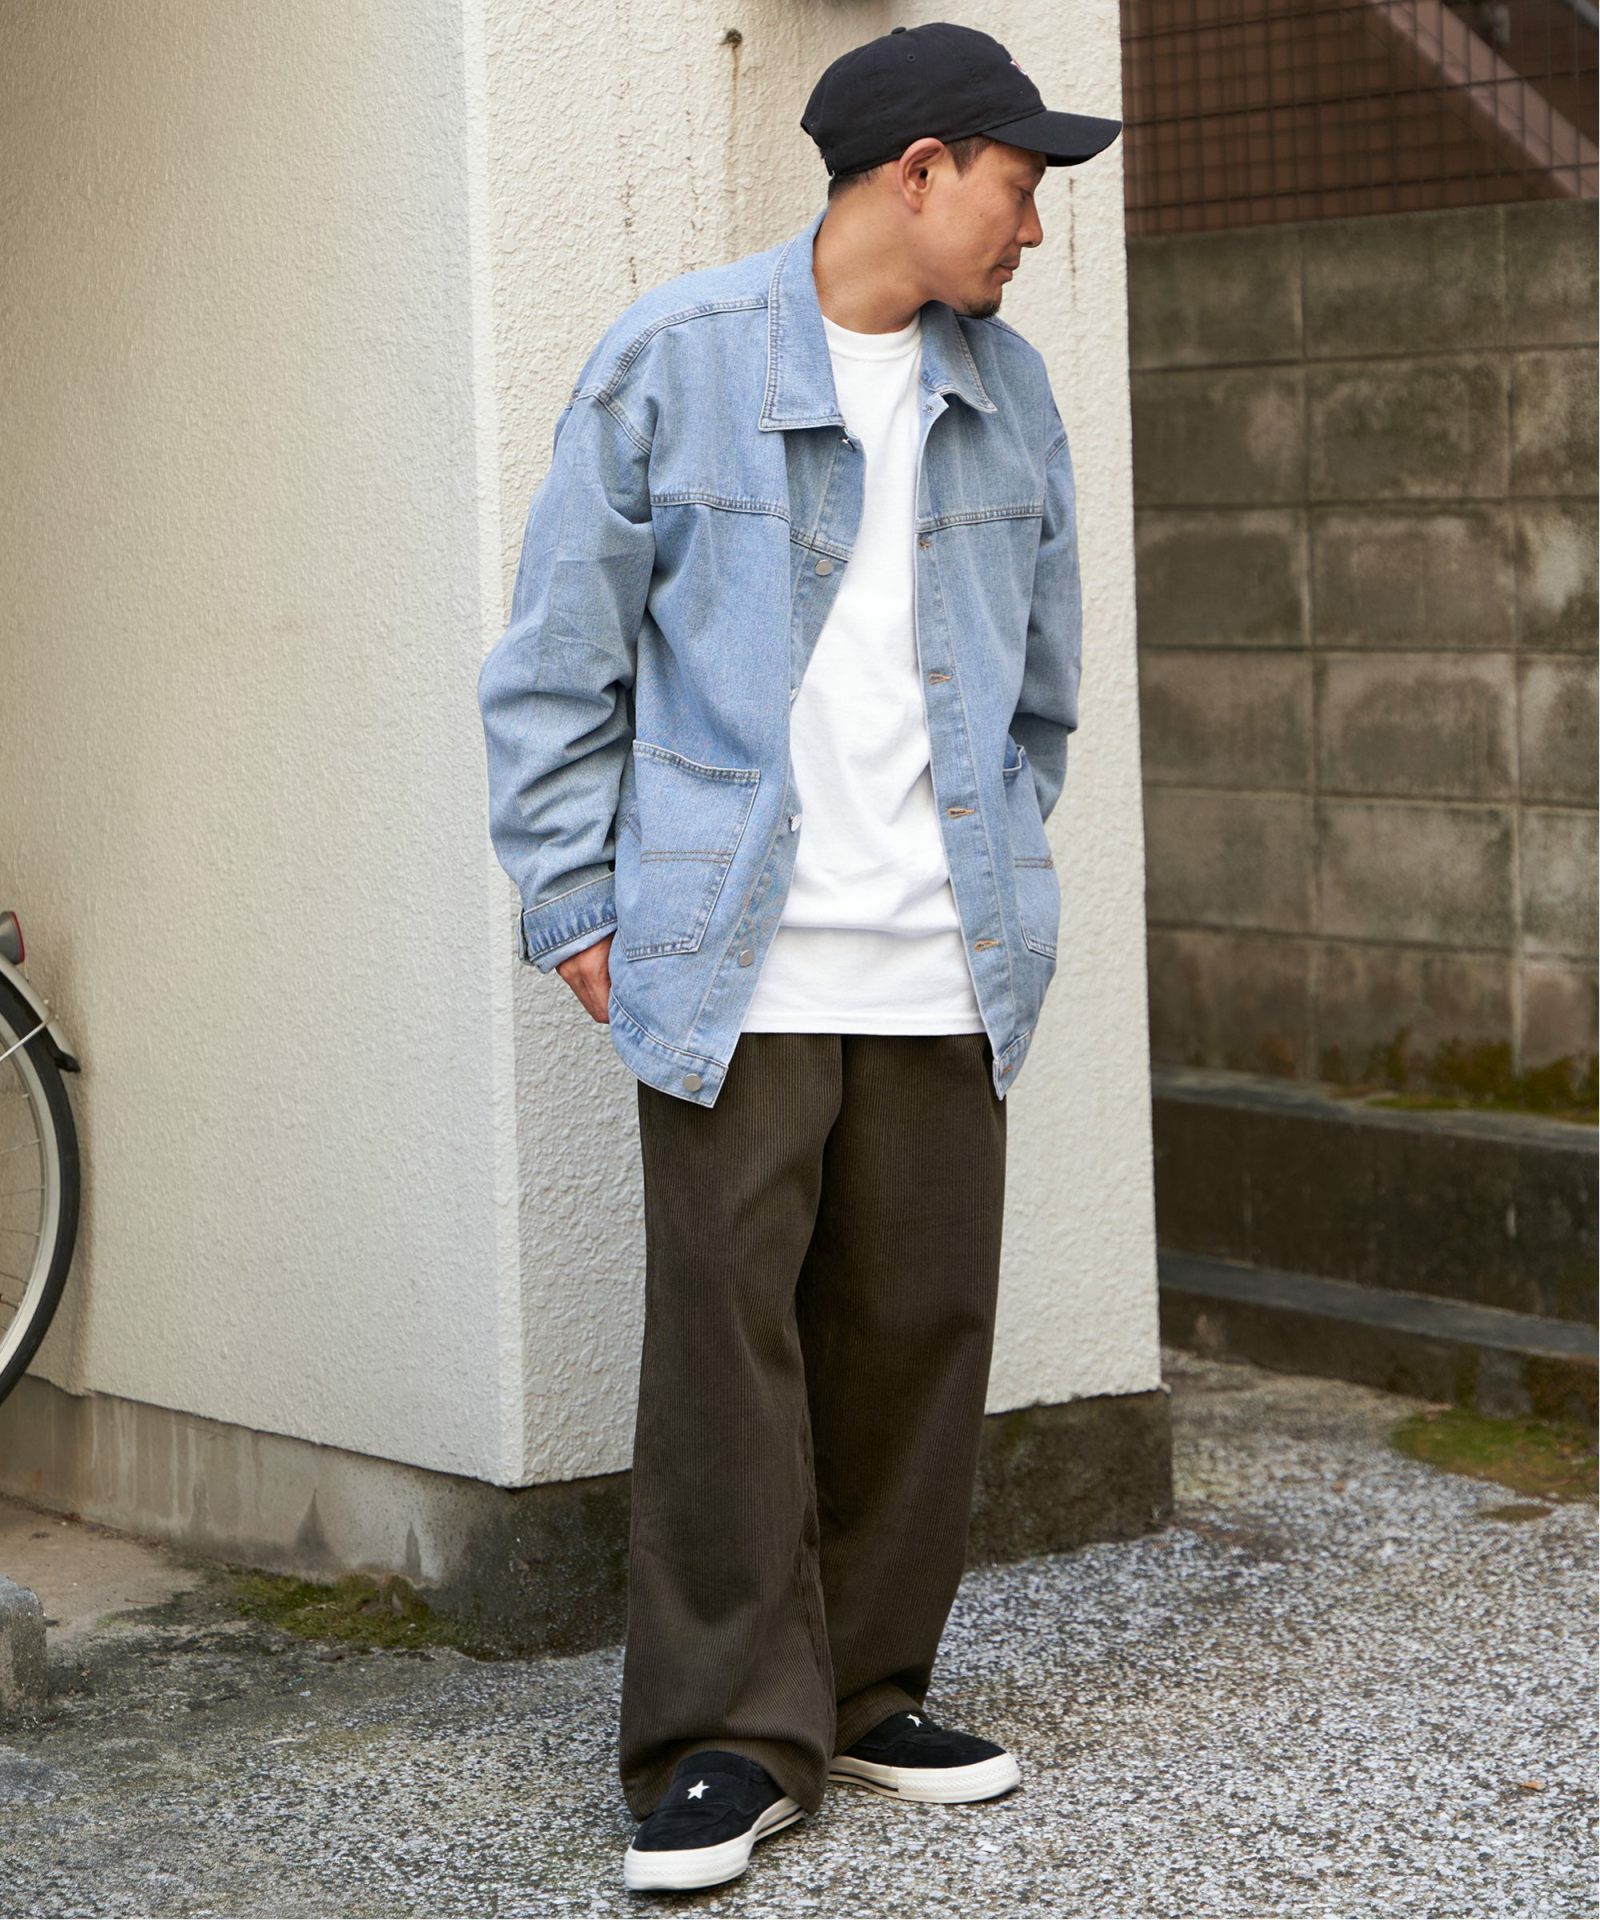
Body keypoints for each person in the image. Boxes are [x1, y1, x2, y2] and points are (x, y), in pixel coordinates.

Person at [476, 19, 1121, 1896]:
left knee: (916, 1335)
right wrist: (578, 905)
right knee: (726, 1358)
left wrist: (996, 864)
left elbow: (1042, 690)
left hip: (943, 956)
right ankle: (723, 1739)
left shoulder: (1010, 393)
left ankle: (862, 1689)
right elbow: (556, 664)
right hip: (735, 957)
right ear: (918, 171)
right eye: (1017, 187)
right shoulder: (675, 361)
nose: (1032, 229)